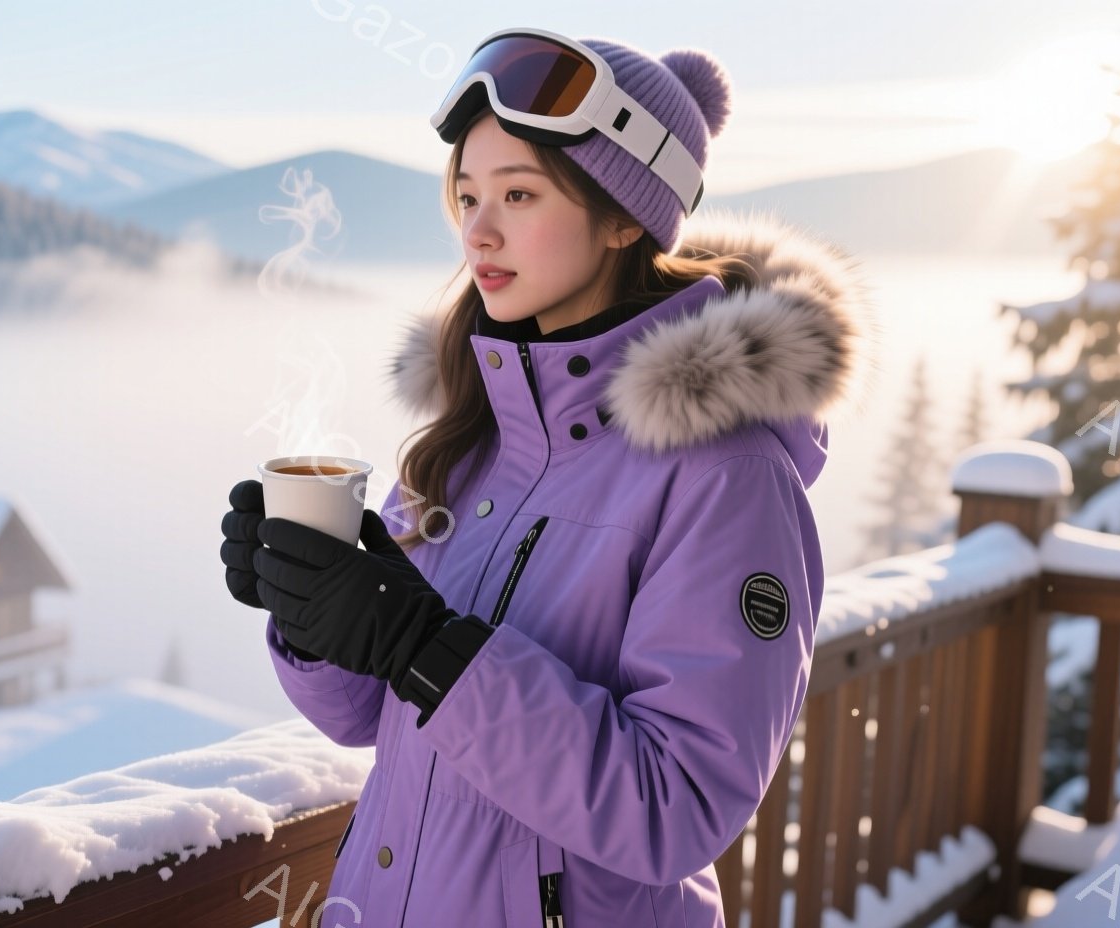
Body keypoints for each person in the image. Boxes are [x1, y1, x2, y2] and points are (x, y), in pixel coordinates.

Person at [220, 27, 877, 927]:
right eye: (467, 195)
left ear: (624, 218)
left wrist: (423, 644)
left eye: (519, 194)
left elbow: (677, 807)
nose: (478, 231)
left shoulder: (728, 477)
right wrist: (319, 607)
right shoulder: (472, 434)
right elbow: (366, 715)